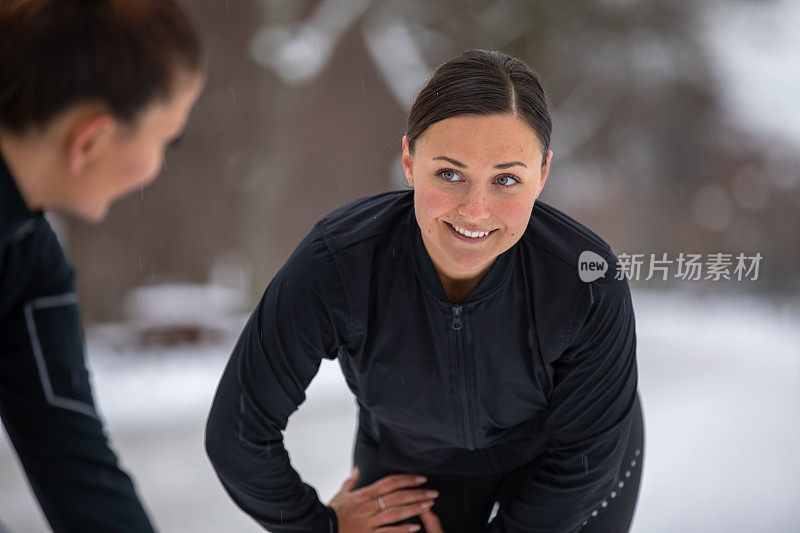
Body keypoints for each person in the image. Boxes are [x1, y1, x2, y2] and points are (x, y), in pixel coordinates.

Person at [206, 49, 643, 533]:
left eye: (506, 179)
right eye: (450, 174)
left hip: (561, 468)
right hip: (408, 466)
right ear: (409, 162)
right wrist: (321, 527)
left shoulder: (586, 278)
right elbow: (238, 433)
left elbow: (584, 465)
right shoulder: (339, 262)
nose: (475, 211)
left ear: (542, 175)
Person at [0, 0, 204, 530]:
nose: (159, 165)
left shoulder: (27, 257)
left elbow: (75, 463)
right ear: (90, 139)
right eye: (167, 138)